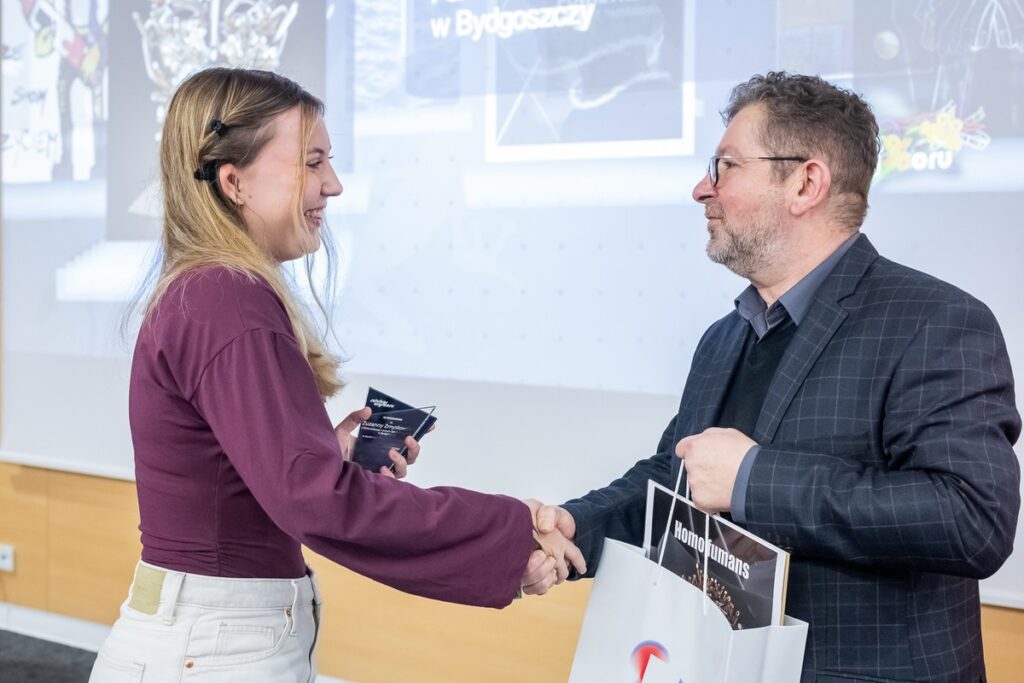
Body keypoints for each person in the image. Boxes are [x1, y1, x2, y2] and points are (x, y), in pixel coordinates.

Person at [89, 67, 583, 683]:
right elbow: (314, 500)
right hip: (213, 651)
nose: (335, 184)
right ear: (234, 180)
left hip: (210, 640)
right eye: (312, 162)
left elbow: (251, 477)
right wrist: (509, 534)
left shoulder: (207, 292)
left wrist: (328, 451)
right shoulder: (228, 299)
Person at [524, 72, 1021, 682]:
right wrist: (576, 527)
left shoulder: (938, 320)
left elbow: (972, 520)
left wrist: (754, 480)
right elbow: (680, 477)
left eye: (725, 165)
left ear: (806, 182)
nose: (701, 189)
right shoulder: (723, 337)